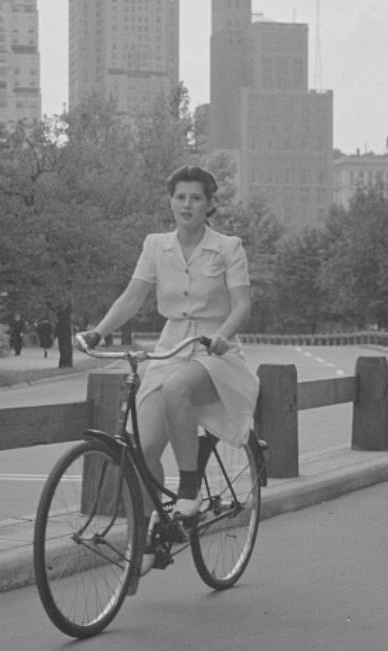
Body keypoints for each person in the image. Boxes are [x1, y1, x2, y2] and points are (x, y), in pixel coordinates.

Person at [82, 165, 259, 533]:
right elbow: (132, 297)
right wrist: (98, 333)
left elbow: (242, 304)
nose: (187, 205)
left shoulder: (228, 248)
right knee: (143, 451)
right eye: (180, 197)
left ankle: (189, 486)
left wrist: (224, 334)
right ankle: (145, 538)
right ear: (171, 201)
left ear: (210, 204)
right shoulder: (155, 245)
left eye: (196, 198)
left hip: (214, 351)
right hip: (171, 344)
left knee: (178, 387)